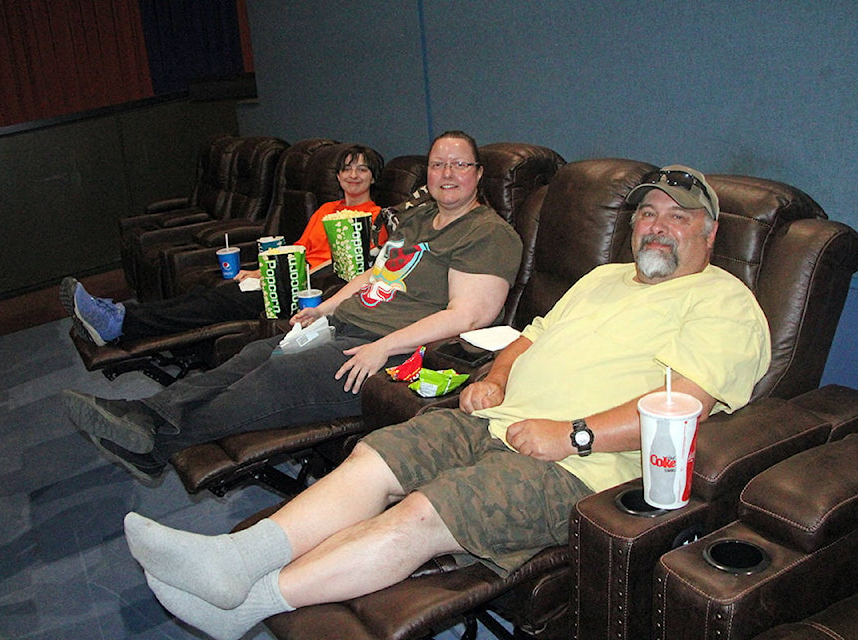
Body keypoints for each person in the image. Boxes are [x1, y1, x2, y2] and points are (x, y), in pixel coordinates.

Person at [120, 165, 772, 640]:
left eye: (677, 217)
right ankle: (233, 561)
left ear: (710, 233)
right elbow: (528, 339)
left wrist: (572, 435)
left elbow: (682, 405)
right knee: (372, 461)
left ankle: (248, 602)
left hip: (579, 467)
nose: (657, 227)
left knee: (425, 515)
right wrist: (496, 376)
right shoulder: (602, 279)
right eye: (647, 215)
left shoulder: (724, 303)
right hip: (493, 417)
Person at [64, 130, 523, 481]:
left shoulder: (488, 234)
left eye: (459, 165)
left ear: (479, 173)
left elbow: (469, 316)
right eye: (438, 164)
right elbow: (374, 274)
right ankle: (145, 413)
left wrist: (382, 347)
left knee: (282, 373)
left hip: (396, 355)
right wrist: (325, 308)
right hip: (346, 328)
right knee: (255, 354)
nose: (447, 174)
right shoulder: (419, 216)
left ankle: (155, 443)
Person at [60, 145, 385, 346]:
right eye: (346, 168)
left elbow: (360, 269)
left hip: (302, 290)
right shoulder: (327, 210)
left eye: (362, 168)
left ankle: (120, 324)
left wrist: (280, 280)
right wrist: (257, 270)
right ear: (338, 176)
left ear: (373, 177)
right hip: (280, 276)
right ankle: (117, 314)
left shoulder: (377, 218)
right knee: (208, 295)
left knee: (213, 304)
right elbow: (298, 249)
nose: (353, 175)